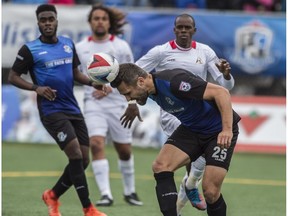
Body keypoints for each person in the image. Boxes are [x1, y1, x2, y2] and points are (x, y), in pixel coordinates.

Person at [128, 13, 234, 215]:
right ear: (174, 30)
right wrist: (132, 100)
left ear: (194, 31)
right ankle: (190, 186)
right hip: (173, 113)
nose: (184, 31)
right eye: (180, 28)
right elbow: (134, 74)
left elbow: (224, 86)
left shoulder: (205, 52)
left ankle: (191, 184)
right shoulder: (160, 52)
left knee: (200, 160)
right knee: (185, 159)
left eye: (188, 28)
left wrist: (226, 74)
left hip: (198, 110)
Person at [8, 4, 107, 216]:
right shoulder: (29, 49)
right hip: (51, 110)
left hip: (72, 107)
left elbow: (76, 74)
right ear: (38, 23)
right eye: (43, 20)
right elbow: (13, 77)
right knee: (75, 155)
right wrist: (37, 88)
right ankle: (88, 208)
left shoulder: (68, 44)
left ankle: (52, 195)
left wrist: (93, 83)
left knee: (84, 159)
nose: (47, 23)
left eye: (50, 19)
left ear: (56, 21)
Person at [110, 63, 241, 216]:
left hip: (217, 130)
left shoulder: (175, 82)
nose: (128, 99)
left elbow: (222, 93)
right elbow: (126, 70)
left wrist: (226, 129)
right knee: (160, 166)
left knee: (210, 192)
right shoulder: (147, 86)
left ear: (140, 81)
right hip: (192, 129)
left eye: (128, 93)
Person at [76, 4, 143, 207]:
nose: (99, 22)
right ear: (90, 22)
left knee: (124, 150)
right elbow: (77, 74)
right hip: (93, 103)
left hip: (117, 103)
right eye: (96, 18)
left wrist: (125, 97)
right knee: (96, 144)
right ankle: (106, 194)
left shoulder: (121, 47)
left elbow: (131, 76)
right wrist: (91, 84)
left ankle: (130, 192)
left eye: (103, 18)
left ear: (109, 22)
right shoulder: (80, 48)